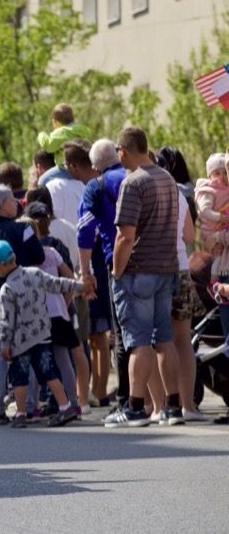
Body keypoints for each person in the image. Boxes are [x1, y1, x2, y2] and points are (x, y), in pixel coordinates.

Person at [103, 126, 183, 428]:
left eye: (118, 150)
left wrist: (116, 271)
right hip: (166, 267)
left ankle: (135, 407)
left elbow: (125, 235)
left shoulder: (133, 183)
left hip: (138, 271)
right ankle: (173, 406)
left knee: (138, 342)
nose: (118, 155)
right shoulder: (167, 179)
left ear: (126, 149)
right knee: (165, 339)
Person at [0, 240, 91, 428]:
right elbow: (57, 284)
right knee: (49, 372)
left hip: (20, 342)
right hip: (43, 336)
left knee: (19, 377)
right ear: (14, 258)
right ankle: (65, 406)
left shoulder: (7, 289)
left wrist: (4, 344)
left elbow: (5, 320)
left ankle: (21, 414)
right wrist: (80, 286)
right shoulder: (35, 273)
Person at [0, 184, 46, 425]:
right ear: (2, 204)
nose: (16, 203)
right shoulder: (23, 229)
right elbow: (39, 257)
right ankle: (28, 406)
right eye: (11, 200)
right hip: (24, 291)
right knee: (30, 345)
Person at [69, 138, 124, 410]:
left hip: (107, 261)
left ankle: (102, 390)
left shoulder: (96, 187)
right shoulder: (136, 177)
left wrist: (85, 272)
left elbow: (85, 229)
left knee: (101, 332)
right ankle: (155, 401)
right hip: (152, 259)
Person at [156, 151, 206, 421]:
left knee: (157, 341)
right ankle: (187, 404)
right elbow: (189, 235)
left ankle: (159, 406)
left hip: (153, 271)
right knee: (183, 340)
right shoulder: (179, 194)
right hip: (181, 268)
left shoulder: (140, 188)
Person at [194, 152, 229, 257]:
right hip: (211, 231)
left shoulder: (225, 189)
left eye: (225, 173)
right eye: (217, 173)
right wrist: (221, 217)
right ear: (210, 175)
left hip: (223, 230)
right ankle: (214, 273)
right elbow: (204, 210)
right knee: (217, 259)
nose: (222, 176)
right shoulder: (208, 190)